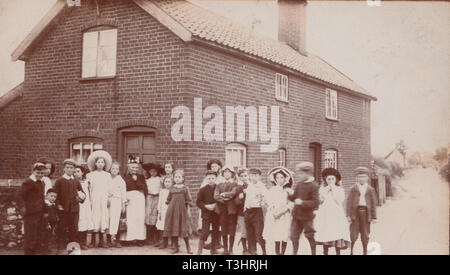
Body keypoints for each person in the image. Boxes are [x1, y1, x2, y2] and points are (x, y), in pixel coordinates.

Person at [314, 168, 350, 255]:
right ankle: (325, 252)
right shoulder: (322, 189)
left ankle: (338, 252)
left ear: (336, 180)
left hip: (336, 215)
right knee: (326, 232)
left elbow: (339, 200)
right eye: (328, 179)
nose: (330, 181)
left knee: (337, 232)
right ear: (326, 180)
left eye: (332, 179)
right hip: (325, 214)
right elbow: (320, 201)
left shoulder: (339, 189)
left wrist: (333, 189)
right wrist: (325, 192)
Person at [287, 162, 319, 255]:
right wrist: (289, 194)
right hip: (297, 215)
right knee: (294, 236)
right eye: (299, 173)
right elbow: (294, 197)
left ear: (308, 173)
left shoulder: (314, 185)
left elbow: (315, 202)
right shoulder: (299, 184)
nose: (299, 176)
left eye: (301, 173)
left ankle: (314, 253)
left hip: (307, 216)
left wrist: (302, 202)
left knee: (309, 235)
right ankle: (294, 253)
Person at [54, 159, 85, 253]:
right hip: (63, 210)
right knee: (62, 229)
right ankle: (60, 249)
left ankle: (72, 250)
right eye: (67, 167)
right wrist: (58, 205)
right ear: (64, 169)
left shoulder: (76, 181)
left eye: (71, 168)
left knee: (74, 230)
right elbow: (55, 195)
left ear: (74, 169)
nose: (69, 169)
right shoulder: (59, 181)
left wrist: (82, 198)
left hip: (74, 210)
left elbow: (82, 193)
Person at [346, 166, 377, 255]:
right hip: (355, 213)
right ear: (356, 178)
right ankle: (351, 250)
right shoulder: (353, 188)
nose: (361, 179)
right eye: (359, 177)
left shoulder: (370, 189)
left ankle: (365, 250)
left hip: (366, 213)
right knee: (353, 233)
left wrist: (374, 217)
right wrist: (348, 215)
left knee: (365, 233)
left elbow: (373, 203)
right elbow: (348, 202)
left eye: (363, 176)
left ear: (367, 178)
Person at [263, 167, 294, 255]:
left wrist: (283, 211)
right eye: (277, 178)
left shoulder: (289, 190)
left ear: (285, 178)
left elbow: (291, 203)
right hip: (275, 214)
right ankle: (277, 253)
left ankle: (282, 253)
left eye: (282, 177)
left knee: (284, 233)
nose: (280, 180)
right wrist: (274, 211)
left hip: (285, 215)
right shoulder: (272, 190)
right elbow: (269, 202)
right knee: (276, 233)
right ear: (275, 179)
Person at [86, 150, 112, 248]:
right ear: (95, 163)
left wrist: (109, 198)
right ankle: (94, 241)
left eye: (102, 162)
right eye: (98, 162)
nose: (100, 164)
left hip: (104, 198)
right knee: (94, 216)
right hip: (95, 198)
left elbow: (109, 188)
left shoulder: (107, 175)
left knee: (104, 217)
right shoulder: (90, 175)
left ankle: (103, 241)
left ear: (104, 164)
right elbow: (89, 188)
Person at [164, 169, 193, 254]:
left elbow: (188, 200)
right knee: (174, 228)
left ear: (183, 179)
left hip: (182, 211)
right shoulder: (172, 188)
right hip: (172, 211)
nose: (177, 179)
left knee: (184, 229)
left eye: (179, 177)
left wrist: (188, 209)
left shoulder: (185, 188)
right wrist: (170, 207)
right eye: (175, 177)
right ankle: (176, 247)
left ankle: (188, 247)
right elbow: (168, 199)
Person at [120, 157, 147, 246]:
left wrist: (137, 181)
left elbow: (144, 188)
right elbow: (123, 189)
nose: (134, 169)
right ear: (129, 168)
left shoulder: (141, 177)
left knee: (139, 218)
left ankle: (139, 238)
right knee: (130, 218)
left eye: (136, 168)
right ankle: (128, 239)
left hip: (139, 199)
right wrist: (125, 199)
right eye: (132, 167)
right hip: (130, 200)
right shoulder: (125, 178)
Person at [21, 162, 46, 255]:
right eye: (38, 172)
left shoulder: (41, 183)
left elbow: (41, 198)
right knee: (30, 237)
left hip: (39, 213)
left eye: (42, 173)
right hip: (30, 215)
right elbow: (20, 197)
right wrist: (24, 209)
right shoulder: (28, 182)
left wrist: (44, 211)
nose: (40, 175)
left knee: (37, 237)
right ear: (33, 171)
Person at [214, 166, 238, 254]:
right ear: (222, 174)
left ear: (232, 174)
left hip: (232, 209)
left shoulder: (235, 184)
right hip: (222, 208)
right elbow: (216, 196)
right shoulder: (219, 184)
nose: (227, 173)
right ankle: (225, 249)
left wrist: (224, 194)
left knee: (232, 228)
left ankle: (231, 249)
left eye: (229, 172)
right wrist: (224, 198)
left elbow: (234, 192)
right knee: (223, 227)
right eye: (225, 172)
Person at [243, 168, 267, 255]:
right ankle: (253, 251)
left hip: (257, 212)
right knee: (250, 234)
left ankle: (264, 251)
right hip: (248, 212)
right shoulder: (249, 185)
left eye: (256, 176)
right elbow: (247, 199)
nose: (253, 178)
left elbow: (266, 199)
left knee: (258, 234)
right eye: (252, 176)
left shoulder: (262, 187)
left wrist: (262, 201)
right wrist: (245, 209)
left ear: (259, 177)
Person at [196, 170, 220, 255]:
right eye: (209, 178)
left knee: (215, 231)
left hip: (216, 214)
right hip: (206, 214)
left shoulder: (219, 188)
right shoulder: (203, 190)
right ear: (206, 179)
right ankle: (199, 250)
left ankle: (213, 249)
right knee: (205, 232)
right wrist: (206, 206)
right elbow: (198, 202)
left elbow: (222, 199)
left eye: (213, 178)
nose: (211, 180)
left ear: (216, 178)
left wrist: (216, 205)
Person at [143, 163, 164, 245]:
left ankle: (157, 238)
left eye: (155, 171)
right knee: (148, 216)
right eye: (151, 171)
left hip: (157, 198)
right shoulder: (147, 180)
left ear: (157, 172)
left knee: (156, 216)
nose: (153, 173)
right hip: (149, 198)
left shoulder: (160, 179)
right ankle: (149, 237)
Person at [74, 164, 94, 250]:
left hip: (85, 205)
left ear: (82, 173)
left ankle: (83, 242)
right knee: (77, 222)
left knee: (85, 222)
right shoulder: (72, 182)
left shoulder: (86, 182)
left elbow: (90, 192)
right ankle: (76, 242)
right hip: (76, 204)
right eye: (74, 172)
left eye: (78, 171)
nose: (76, 173)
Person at [108, 161, 127, 248]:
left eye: (116, 169)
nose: (114, 170)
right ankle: (108, 240)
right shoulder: (107, 178)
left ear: (118, 170)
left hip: (117, 201)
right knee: (108, 219)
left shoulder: (121, 180)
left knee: (116, 220)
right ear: (110, 169)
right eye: (112, 168)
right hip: (108, 201)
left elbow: (123, 193)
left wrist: (123, 204)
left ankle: (117, 240)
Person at [234, 168, 249, 254]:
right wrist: (239, 198)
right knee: (244, 230)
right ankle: (244, 248)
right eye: (242, 176)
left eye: (245, 175)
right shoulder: (238, 187)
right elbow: (235, 202)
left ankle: (251, 247)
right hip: (241, 213)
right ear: (239, 177)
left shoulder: (252, 186)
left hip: (251, 212)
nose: (244, 178)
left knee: (250, 230)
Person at [156, 176, 173, 249]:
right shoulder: (162, 191)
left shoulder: (173, 191)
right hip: (163, 210)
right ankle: (164, 242)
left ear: (172, 183)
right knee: (162, 225)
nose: (167, 183)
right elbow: (160, 202)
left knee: (171, 225)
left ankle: (173, 242)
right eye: (166, 182)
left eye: (169, 182)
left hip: (171, 210)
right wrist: (159, 211)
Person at [40, 188, 59, 254]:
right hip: (46, 224)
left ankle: (47, 248)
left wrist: (56, 219)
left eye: (55, 197)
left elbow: (55, 214)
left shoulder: (53, 205)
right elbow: (44, 216)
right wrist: (47, 224)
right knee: (44, 236)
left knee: (49, 237)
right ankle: (43, 250)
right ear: (46, 196)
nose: (53, 198)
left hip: (52, 223)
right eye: (51, 196)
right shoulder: (45, 205)